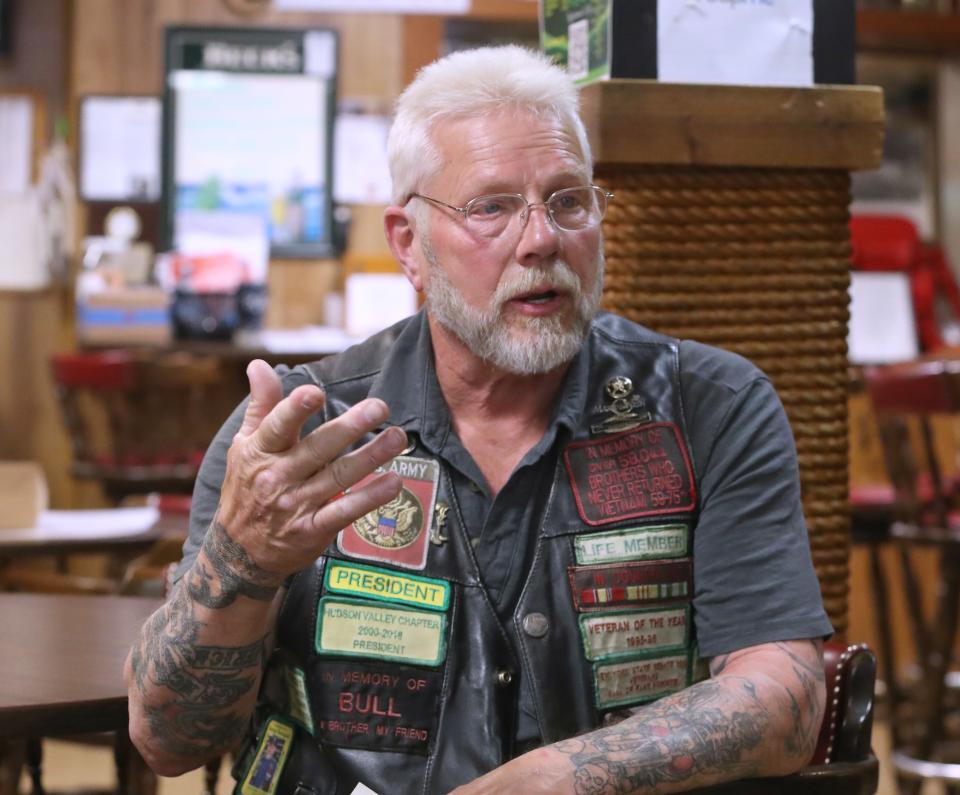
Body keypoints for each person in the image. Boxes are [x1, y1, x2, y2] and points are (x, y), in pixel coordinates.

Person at [125, 45, 833, 794]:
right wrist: (243, 560)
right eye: (490, 207)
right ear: (410, 244)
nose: (541, 240)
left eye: (568, 201)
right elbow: (170, 742)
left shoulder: (709, 406)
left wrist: (563, 777)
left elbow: (785, 694)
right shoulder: (292, 436)